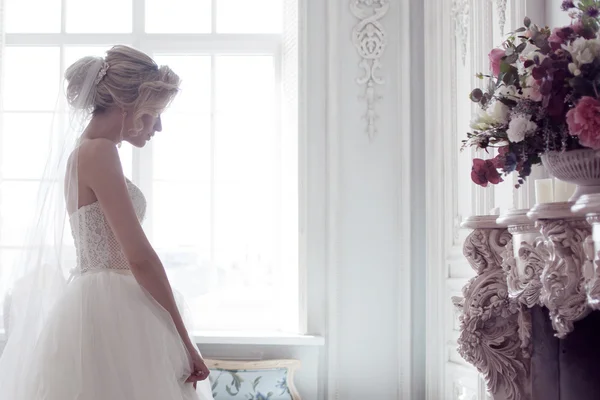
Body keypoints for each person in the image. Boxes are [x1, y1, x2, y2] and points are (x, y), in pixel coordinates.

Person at [0, 45, 214, 400]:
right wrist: (184, 338)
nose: (157, 126)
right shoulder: (100, 151)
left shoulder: (84, 152)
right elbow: (139, 257)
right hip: (114, 309)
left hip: (95, 305)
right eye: (152, 113)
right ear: (125, 105)